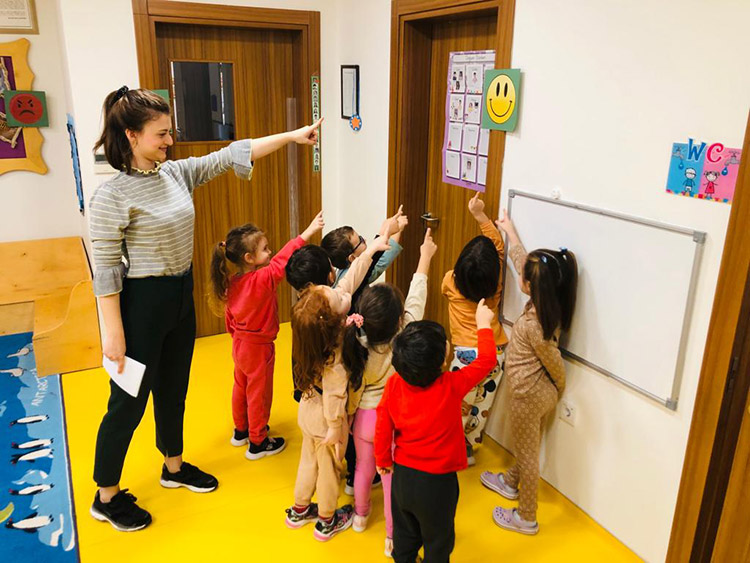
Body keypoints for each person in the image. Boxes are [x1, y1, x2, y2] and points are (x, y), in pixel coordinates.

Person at [88, 85, 322, 531]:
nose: (170, 140)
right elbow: (106, 273)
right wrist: (112, 332)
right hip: (140, 307)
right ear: (132, 136)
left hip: (180, 297)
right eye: (160, 134)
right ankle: (107, 494)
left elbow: (233, 154)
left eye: (170, 131)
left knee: (173, 389)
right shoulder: (111, 196)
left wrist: (293, 136)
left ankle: (173, 466)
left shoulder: (174, 174)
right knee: (127, 404)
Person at [375, 302, 497, 562]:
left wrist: (383, 459)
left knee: (404, 535)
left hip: (403, 478)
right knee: (438, 540)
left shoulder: (394, 383)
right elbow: (487, 360)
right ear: (442, 360)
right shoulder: (452, 385)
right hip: (438, 483)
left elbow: (383, 424)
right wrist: (483, 324)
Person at [481, 209, 578, 535]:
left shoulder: (535, 324)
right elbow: (523, 261)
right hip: (537, 393)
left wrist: (559, 388)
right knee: (526, 445)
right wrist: (510, 231)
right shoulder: (549, 302)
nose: (519, 274)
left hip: (529, 395)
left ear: (532, 286)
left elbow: (554, 362)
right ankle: (510, 483)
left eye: (523, 276)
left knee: (527, 456)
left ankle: (526, 517)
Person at [342, 228, 436, 557]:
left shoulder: (356, 344)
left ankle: (360, 516)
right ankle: (392, 536)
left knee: (363, 469)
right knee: (391, 480)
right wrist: (424, 257)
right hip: (393, 423)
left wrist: (350, 416)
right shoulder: (405, 336)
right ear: (398, 320)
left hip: (364, 422)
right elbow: (416, 298)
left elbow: (354, 391)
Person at [209, 211, 324, 459]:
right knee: (258, 394)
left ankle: (241, 430)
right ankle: (258, 442)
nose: (270, 252)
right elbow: (282, 260)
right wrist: (307, 233)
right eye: (265, 249)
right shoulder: (262, 279)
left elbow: (230, 318)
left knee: (241, 386)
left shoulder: (232, 282)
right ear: (249, 258)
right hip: (258, 348)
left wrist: (237, 337)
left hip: (240, 345)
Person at [442, 192, 508, 465]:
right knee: (482, 405)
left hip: (466, 358)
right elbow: (498, 247)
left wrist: (477, 213)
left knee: (457, 406)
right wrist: (480, 216)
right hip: (495, 352)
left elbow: (495, 250)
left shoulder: (450, 282)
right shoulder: (497, 282)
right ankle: (469, 447)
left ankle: (453, 449)